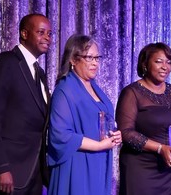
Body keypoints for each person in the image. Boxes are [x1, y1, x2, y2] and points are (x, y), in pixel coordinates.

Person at [0, 13, 52, 194]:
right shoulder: (5, 63)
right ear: (24, 34)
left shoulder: (39, 73)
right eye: (41, 32)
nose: (47, 38)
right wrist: (1, 167)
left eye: (49, 34)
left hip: (34, 172)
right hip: (10, 171)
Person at [116, 42, 171, 195]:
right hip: (142, 170)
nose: (165, 66)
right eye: (158, 61)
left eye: (168, 62)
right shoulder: (132, 93)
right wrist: (160, 148)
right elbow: (126, 133)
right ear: (145, 64)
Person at [47, 34, 122, 195]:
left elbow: (102, 119)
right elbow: (60, 135)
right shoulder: (65, 90)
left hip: (98, 161)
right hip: (77, 164)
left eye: (97, 58)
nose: (95, 63)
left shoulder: (94, 86)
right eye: (89, 58)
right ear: (73, 60)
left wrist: (114, 134)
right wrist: (99, 145)